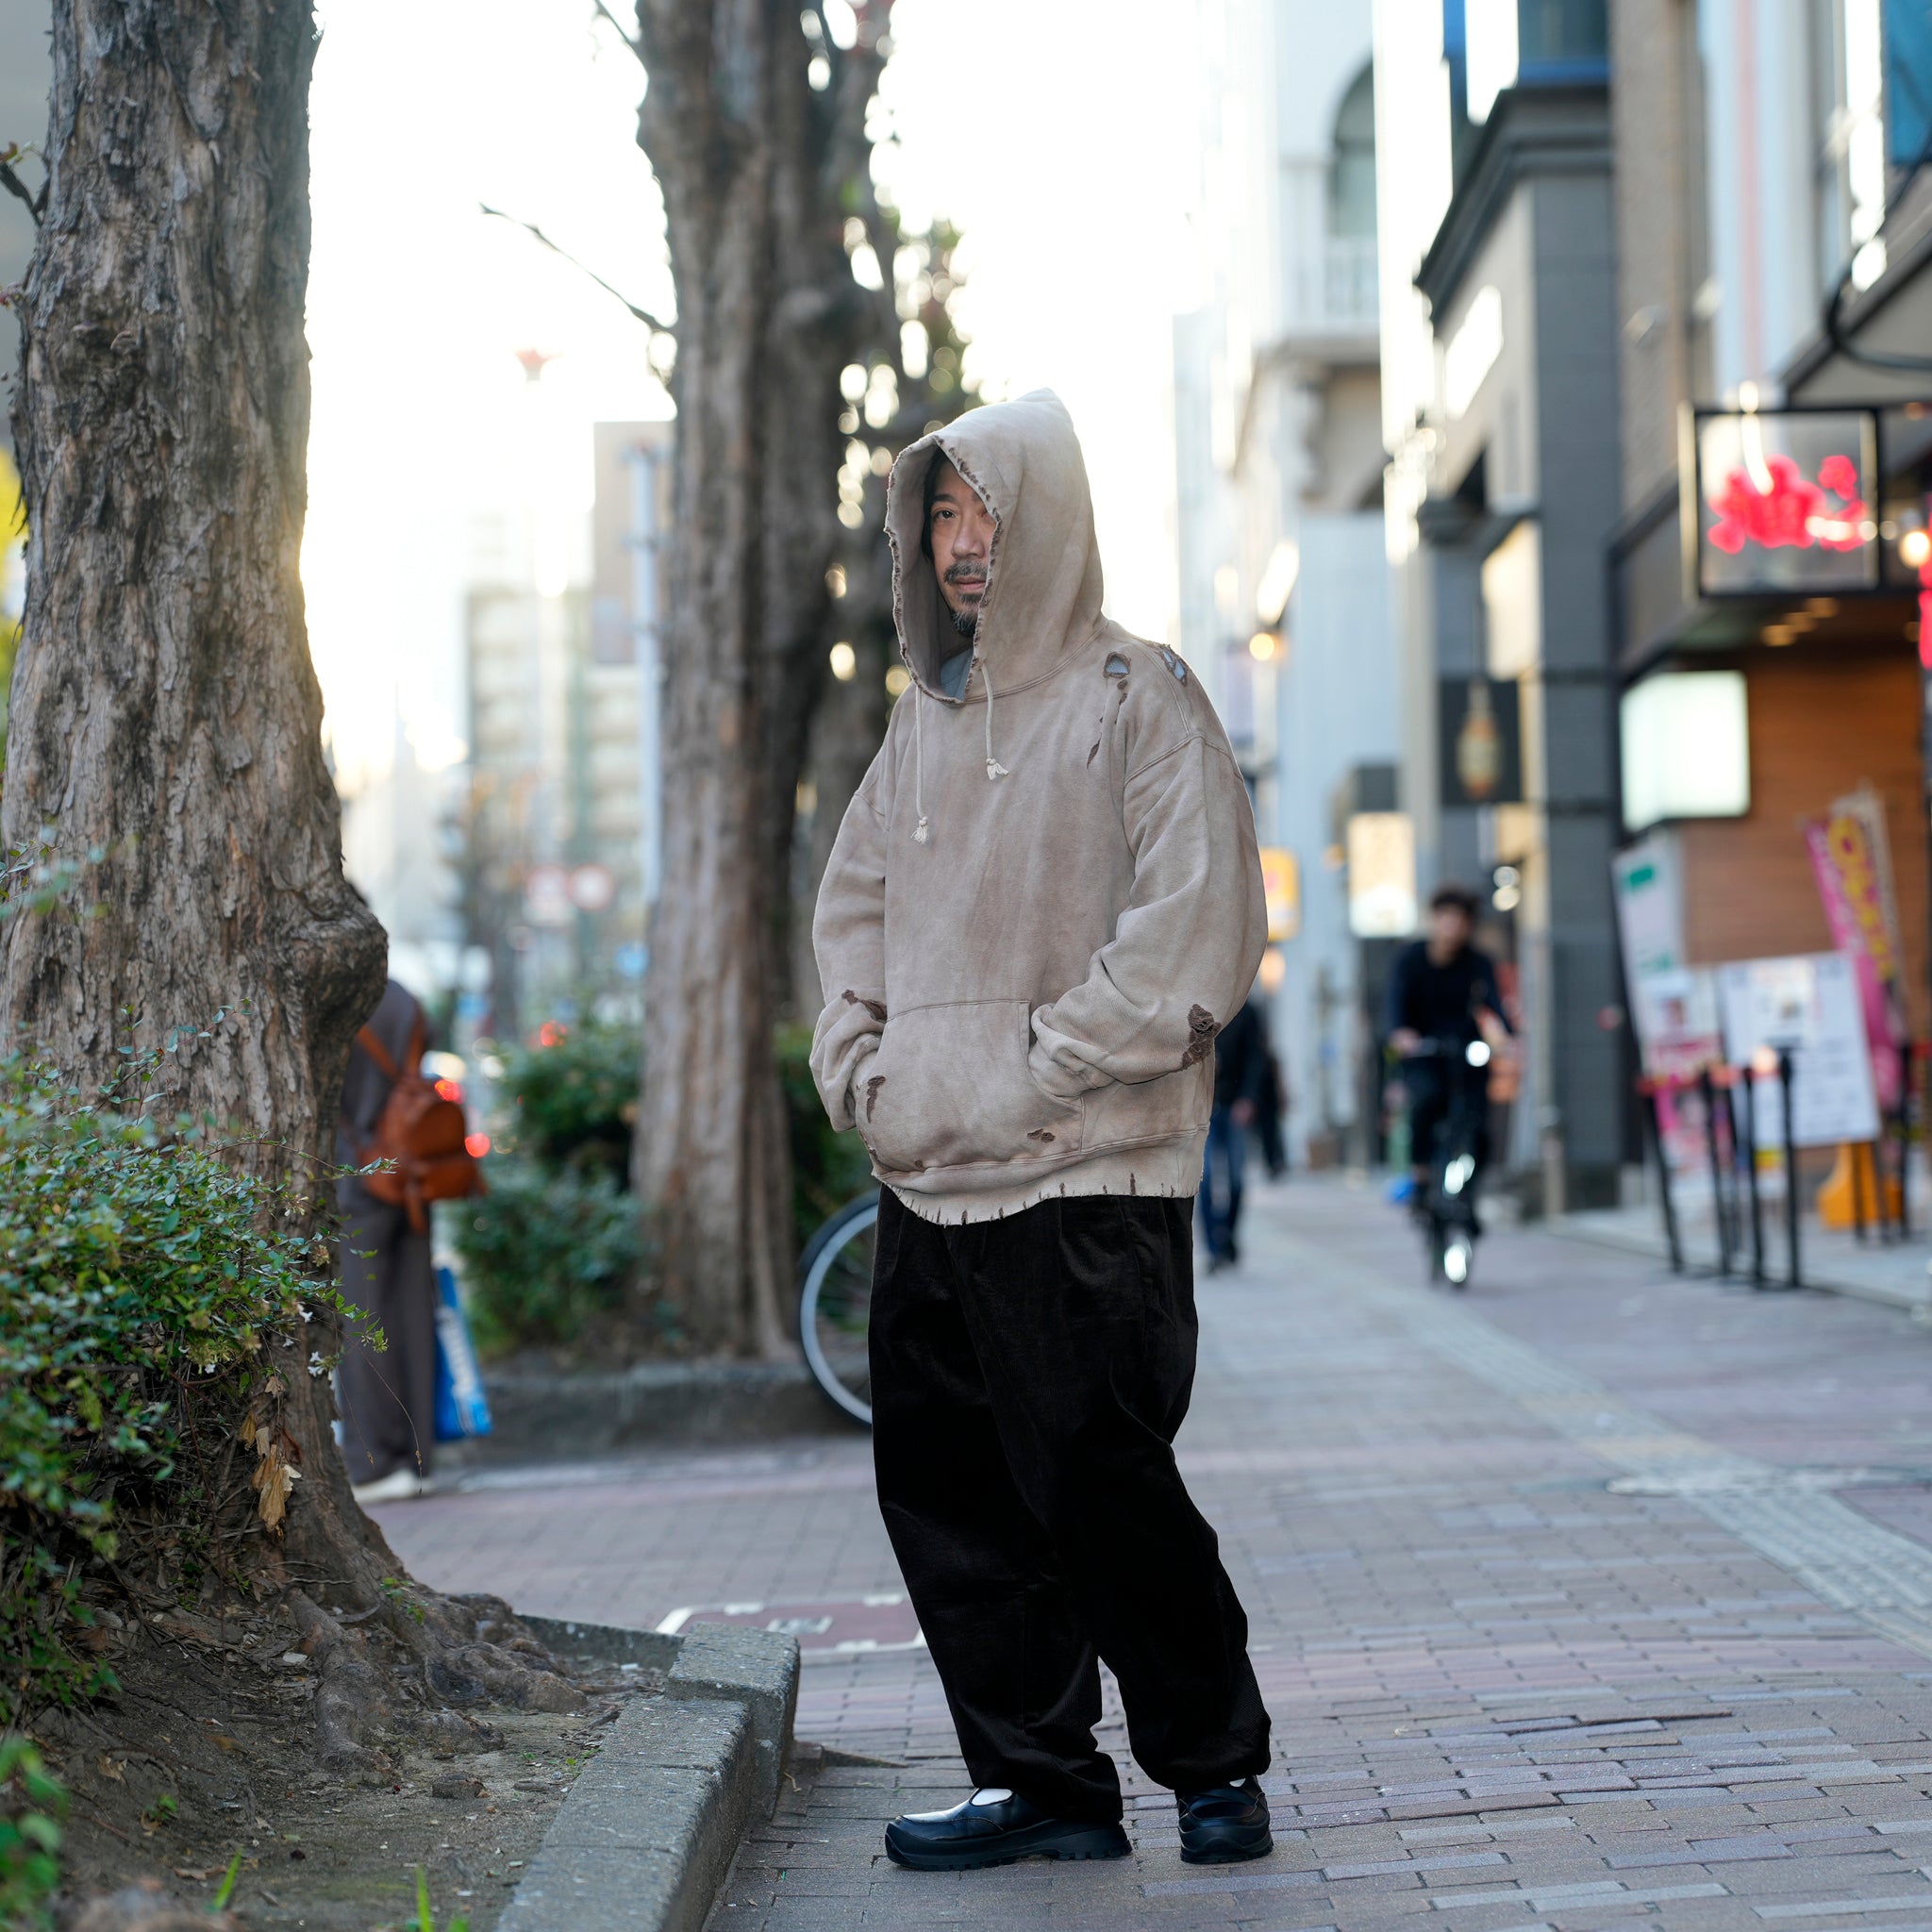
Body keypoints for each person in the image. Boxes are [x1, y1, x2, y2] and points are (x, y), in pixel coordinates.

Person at [812, 391, 1274, 1874]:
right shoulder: (918, 723)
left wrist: (1035, 1071)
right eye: (939, 516)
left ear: (1048, 521)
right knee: (947, 1497)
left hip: (1089, 1171)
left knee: (1100, 1477)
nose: (960, 546)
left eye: (985, 514)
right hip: (927, 1180)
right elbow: (855, 917)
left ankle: (1214, 1767)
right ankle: (1044, 1785)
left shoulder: (1143, 698)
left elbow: (1195, 933)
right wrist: (863, 1072)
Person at [335, 978, 439, 1504]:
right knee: (412, 1312)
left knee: (363, 1317)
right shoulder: (404, 1001)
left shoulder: (336, 996)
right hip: (413, 1173)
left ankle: (373, 1459)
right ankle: (418, 1457)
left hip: (358, 1178)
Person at [1385, 884, 1509, 1201]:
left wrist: (1509, 1036)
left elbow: (1495, 1003)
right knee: (1426, 1100)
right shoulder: (1411, 959)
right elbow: (1396, 1002)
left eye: (1460, 919)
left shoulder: (1478, 962)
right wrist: (1401, 1033)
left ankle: (1471, 1190)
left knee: (1478, 1121)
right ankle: (1421, 1172)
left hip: (1465, 1051)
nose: (1453, 926)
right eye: (1447, 917)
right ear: (1435, 919)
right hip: (1424, 1051)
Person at [1199, 992, 1273, 1269]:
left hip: (1234, 1105)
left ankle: (1228, 1235)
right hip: (1203, 1107)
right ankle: (1214, 1247)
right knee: (1203, 1179)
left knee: (1235, 1179)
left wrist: (1248, 1098)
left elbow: (1257, 1057)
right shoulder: (1197, 1005)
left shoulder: (1247, 1009)